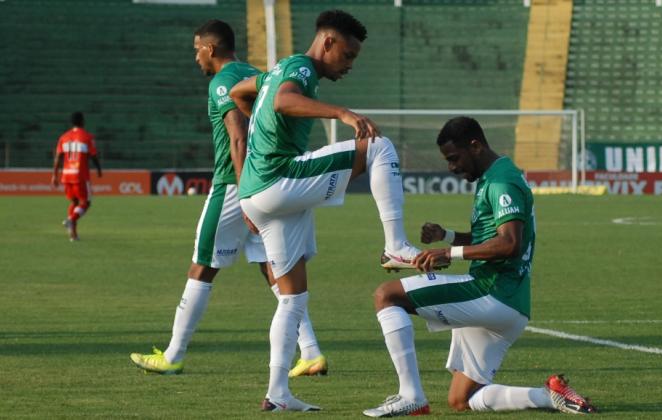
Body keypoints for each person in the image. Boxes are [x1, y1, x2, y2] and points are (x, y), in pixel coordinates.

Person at [230, 9, 442, 412]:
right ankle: (395, 244)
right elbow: (285, 99)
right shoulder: (302, 69)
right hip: (279, 180)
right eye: (347, 55)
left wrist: (259, 132)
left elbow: (241, 94)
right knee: (377, 145)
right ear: (327, 42)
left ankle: (277, 393)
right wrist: (342, 113)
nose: (349, 65)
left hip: (256, 195)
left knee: (292, 300)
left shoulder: (276, 70)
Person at [129, 19, 326, 377]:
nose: (195, 57)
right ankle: (311, 352)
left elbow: (238, 137)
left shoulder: (223, 82)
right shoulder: (255, 73)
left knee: (202, 265)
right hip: (268, 177)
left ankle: (173, 354)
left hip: (235, 185)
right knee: (274, 270)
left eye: (196, 50)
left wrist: (246, 191)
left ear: (210, 48)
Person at [363, 117, 597, 417]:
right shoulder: (495, 175)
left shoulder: (502, 181)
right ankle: (550, 396)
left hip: (492, 292)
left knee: (386, 295)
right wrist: (446, 236)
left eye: (454, 158)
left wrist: (450, 252)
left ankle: (411, 396)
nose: (452, 167)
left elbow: (509, 243)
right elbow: (492, 238)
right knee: (461, 399)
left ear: (475, 146)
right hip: (510, 304)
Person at [52, 111, 102, 242]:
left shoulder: (63, 137)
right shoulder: (87, 137)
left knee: (74, 202)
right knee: (86, 203)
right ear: (82, 122)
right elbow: (94, 156)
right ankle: (70, 220)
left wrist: (54, 175)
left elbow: (58, 158)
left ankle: (73, 235)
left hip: (66, 175)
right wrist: (99, 169)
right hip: (80, 175)